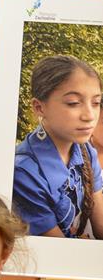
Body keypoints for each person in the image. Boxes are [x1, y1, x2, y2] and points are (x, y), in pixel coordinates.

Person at [13, 55, 103, 239]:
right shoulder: (24, 172)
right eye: (73, 103)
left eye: (96, 103)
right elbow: (58, 247)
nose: (89, 116)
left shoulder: (86, 151)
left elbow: (100, 224)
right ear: (39, 107)